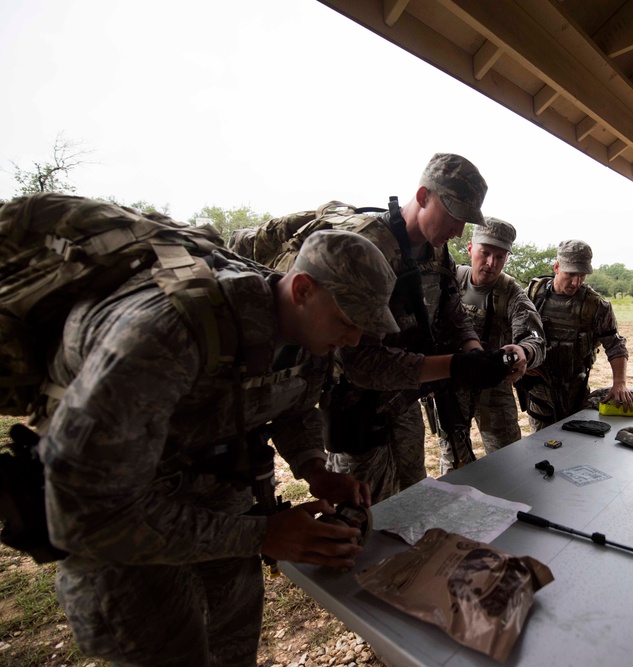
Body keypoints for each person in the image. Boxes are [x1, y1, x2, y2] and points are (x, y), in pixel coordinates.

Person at [40, 230, 399, 667]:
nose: (356, 339)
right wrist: (265, 534)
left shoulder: (312, 337)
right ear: (303, 288)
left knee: (234, 646)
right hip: (129, 537)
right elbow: (91, 512)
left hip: (225, 502)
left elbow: (294, 407)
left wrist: (315, 470)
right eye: (348, 320)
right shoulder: (168, 331)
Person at [329, 153, 515, 501]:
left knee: (412, 498)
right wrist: (454, 367)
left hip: (403, 400)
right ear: (422, 197)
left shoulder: (437, 252)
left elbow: (453, 312)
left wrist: (474, 353)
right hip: (358, 409)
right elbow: (362, 364)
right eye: (455, 216)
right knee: (364, 511)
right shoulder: (366, 249)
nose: (459, 231)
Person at [438, 217, 545, 472]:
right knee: (453, 459)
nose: (490, 263)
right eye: (485, 253)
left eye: (500, 257)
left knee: (507, 461)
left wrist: (523, 351)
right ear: (470, 248)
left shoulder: (510, 292)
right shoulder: (449, 279)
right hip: (450, 386)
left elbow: (536, 339)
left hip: (494, 390)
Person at [521, 239, 633, 431]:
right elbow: (509, 331)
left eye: (582, 275)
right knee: (541, 445)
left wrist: (620, 383)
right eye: (571, 274)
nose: (576, 282)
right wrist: (523, 362)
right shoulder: (532, 295)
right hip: (540, 390)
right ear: (556, 267)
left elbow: (615, 345)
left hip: (576, 389)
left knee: (576, 443)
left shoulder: (595, 306)